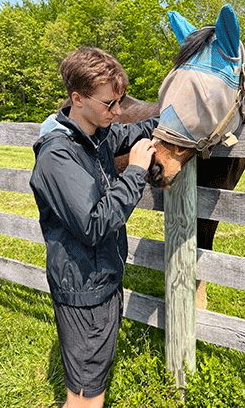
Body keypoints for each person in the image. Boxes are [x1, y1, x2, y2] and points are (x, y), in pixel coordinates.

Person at [30, 46, 158, 408]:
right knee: (87, 396)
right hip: (83, 289)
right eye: (109, 104)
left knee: (89, 382)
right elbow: (94, 224)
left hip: (98, 281)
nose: (117, 113)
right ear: (78, 98)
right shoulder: (59, 154)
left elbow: (133, 130)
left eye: (120, 102)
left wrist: (176, 115)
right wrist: (134, 172)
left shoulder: (94, 136)